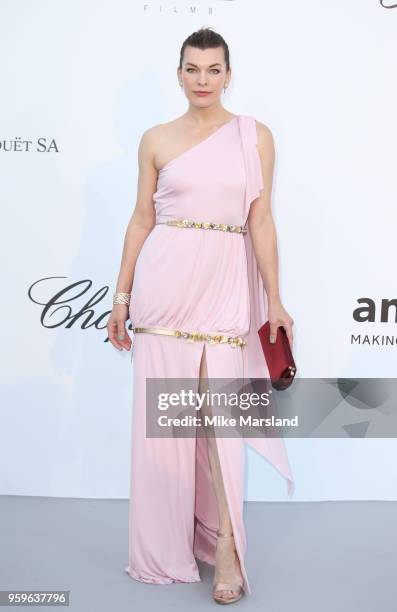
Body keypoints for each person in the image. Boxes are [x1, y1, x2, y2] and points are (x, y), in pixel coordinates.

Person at [107, 27, 295, 604]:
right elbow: (142, 219)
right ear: (179, 74)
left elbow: (260, 221)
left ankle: (229, 554)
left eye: (214, 70)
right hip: (165, 290)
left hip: (224, 287)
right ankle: (169, 546)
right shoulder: (156, 139)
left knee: (221, 424)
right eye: (193, 69)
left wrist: (275, 299)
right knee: (167, 428)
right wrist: (121, 296)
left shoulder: (254, 137)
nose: (204, 80)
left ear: (229, 74)